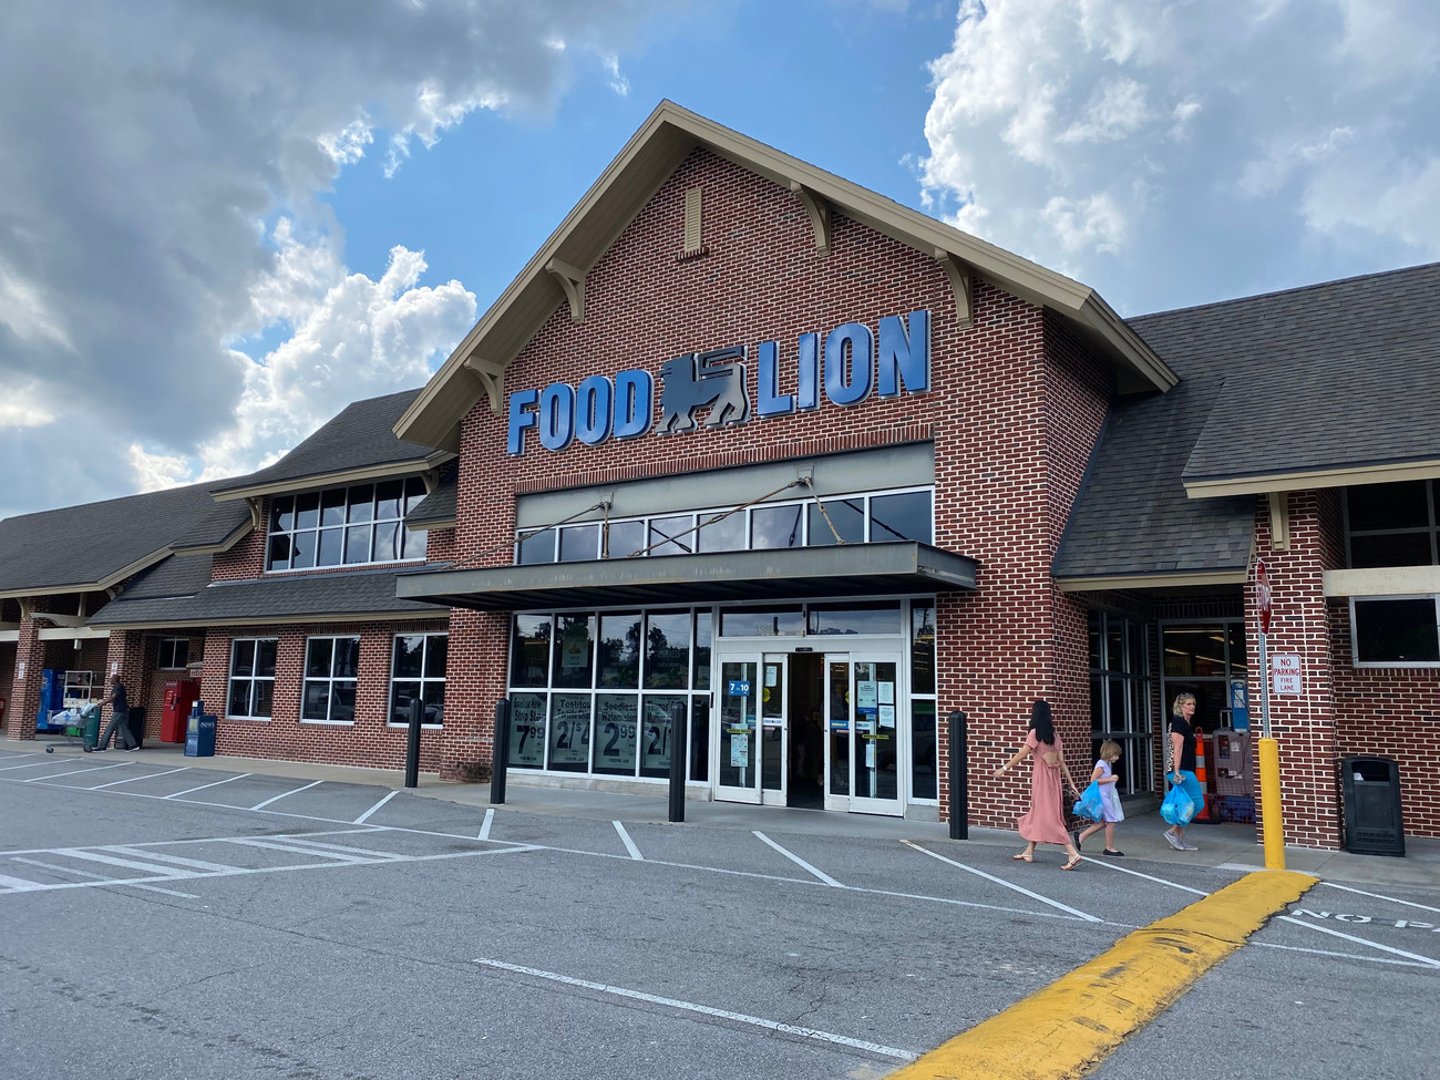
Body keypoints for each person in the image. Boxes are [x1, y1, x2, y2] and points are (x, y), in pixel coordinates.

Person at [993, 700, 1084, 870]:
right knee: (1039, 813)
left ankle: (1073, 853)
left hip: (1042, 779)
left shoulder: (1035, 733)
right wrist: (1072, 783)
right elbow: (1062, 762)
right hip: (1054, 779)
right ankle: (1029, 851)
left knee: (1050, 817)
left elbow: (1022, 754)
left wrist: (1004, 768)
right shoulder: (1055, 735)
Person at [1164, 692, 1203, 851]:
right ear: (1180, 706)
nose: (1192, 706)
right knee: (1197, 804)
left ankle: (1178, 839)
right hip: (1182, 770)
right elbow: (1177, 747)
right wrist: (1177, 770)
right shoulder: (1178, 722)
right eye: (1188, 704)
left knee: (1186, 804)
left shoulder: (1185, 724)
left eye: (1193, 703)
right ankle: (1173, 832)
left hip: (1184, 769)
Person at [1076, 740, 1125, 856]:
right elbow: (1093, 780)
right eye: (1115, 754)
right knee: (1112, 820)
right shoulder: (1101, 764)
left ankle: (1081, 836)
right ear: (1109, 753)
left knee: (1103, 822)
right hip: (1102, 796)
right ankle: (1109, 847)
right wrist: (1111, 779)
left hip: (1105, 795)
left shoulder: (1106, 764)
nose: (1117, 757)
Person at [91, 674, 138, 752]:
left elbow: (113, 697)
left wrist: (102, 703)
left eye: (111, 679)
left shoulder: (118, 687)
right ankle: (133, 745)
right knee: (124, 728)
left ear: (115, 679)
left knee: (110, 727)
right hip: (122, 710)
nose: (110, 680)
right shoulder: (119, 686)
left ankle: (102, 746)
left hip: (119, 710)